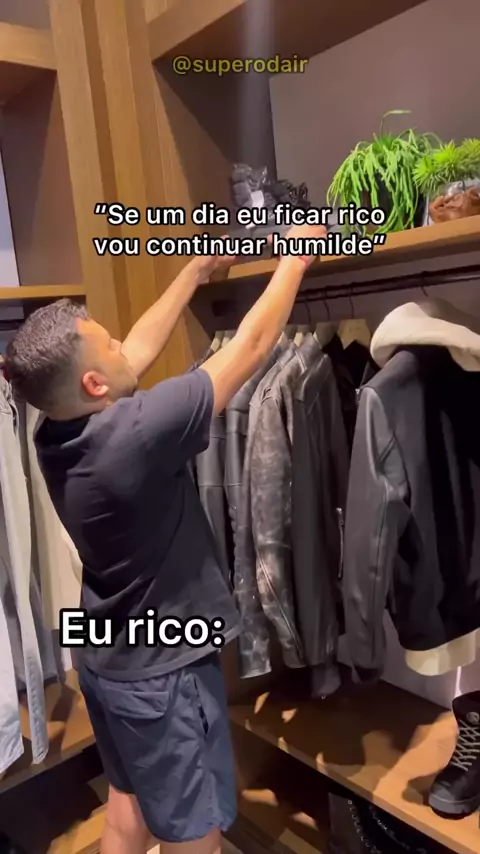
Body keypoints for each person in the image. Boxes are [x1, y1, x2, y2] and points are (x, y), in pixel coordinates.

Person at [5, 222, 326, 854]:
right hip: (163, 676)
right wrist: (298, 254)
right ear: (93, 385)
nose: (122, 345)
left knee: (128, 807)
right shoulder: (138, 434)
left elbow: (133, 357)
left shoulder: (54, 430)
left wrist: (191, 274)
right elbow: (252, 345)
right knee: (194, 834)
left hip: (105, 657)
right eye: (107, 343)